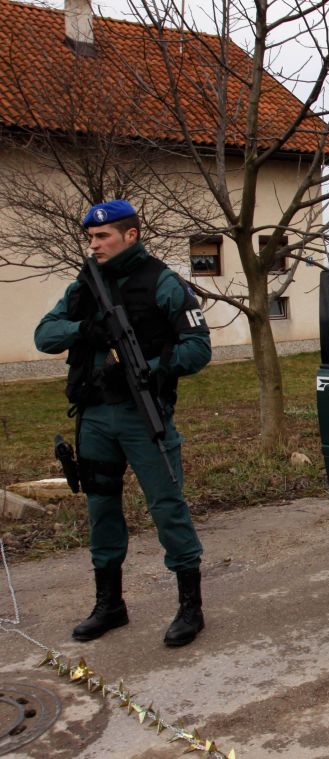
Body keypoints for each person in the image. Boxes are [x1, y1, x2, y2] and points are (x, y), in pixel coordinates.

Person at [35, 200, 212, 647]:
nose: (93, 245)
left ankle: (190, 607)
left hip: (143, 415)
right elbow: (44, 335)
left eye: (103, 237)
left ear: (130, 235)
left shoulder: (164, 283)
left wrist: (147, 369)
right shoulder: (83, 285)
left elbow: (197, 348)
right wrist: (85, 330)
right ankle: (110, 605)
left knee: (167, 507)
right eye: (90, 238)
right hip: (95, 417)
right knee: (101, 509)